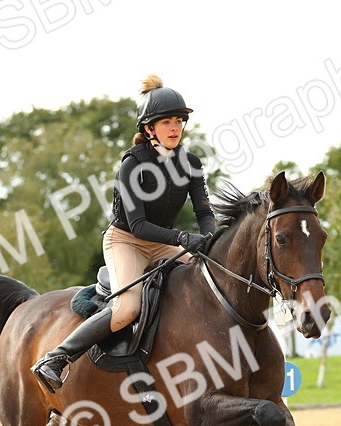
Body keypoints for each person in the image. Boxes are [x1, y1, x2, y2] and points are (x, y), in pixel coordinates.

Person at [32, 75, 216, 393]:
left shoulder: (191, 163)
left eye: (179, 121)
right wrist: (185, 240)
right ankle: (56, 358)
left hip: (163, 242)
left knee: (213, 275)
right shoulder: (133, 165)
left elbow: (203, 213)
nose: (175, 128)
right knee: (127, 310)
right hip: (127, 241)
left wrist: (210, 239)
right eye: (166, 122)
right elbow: (139, 226)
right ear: (149, 129)